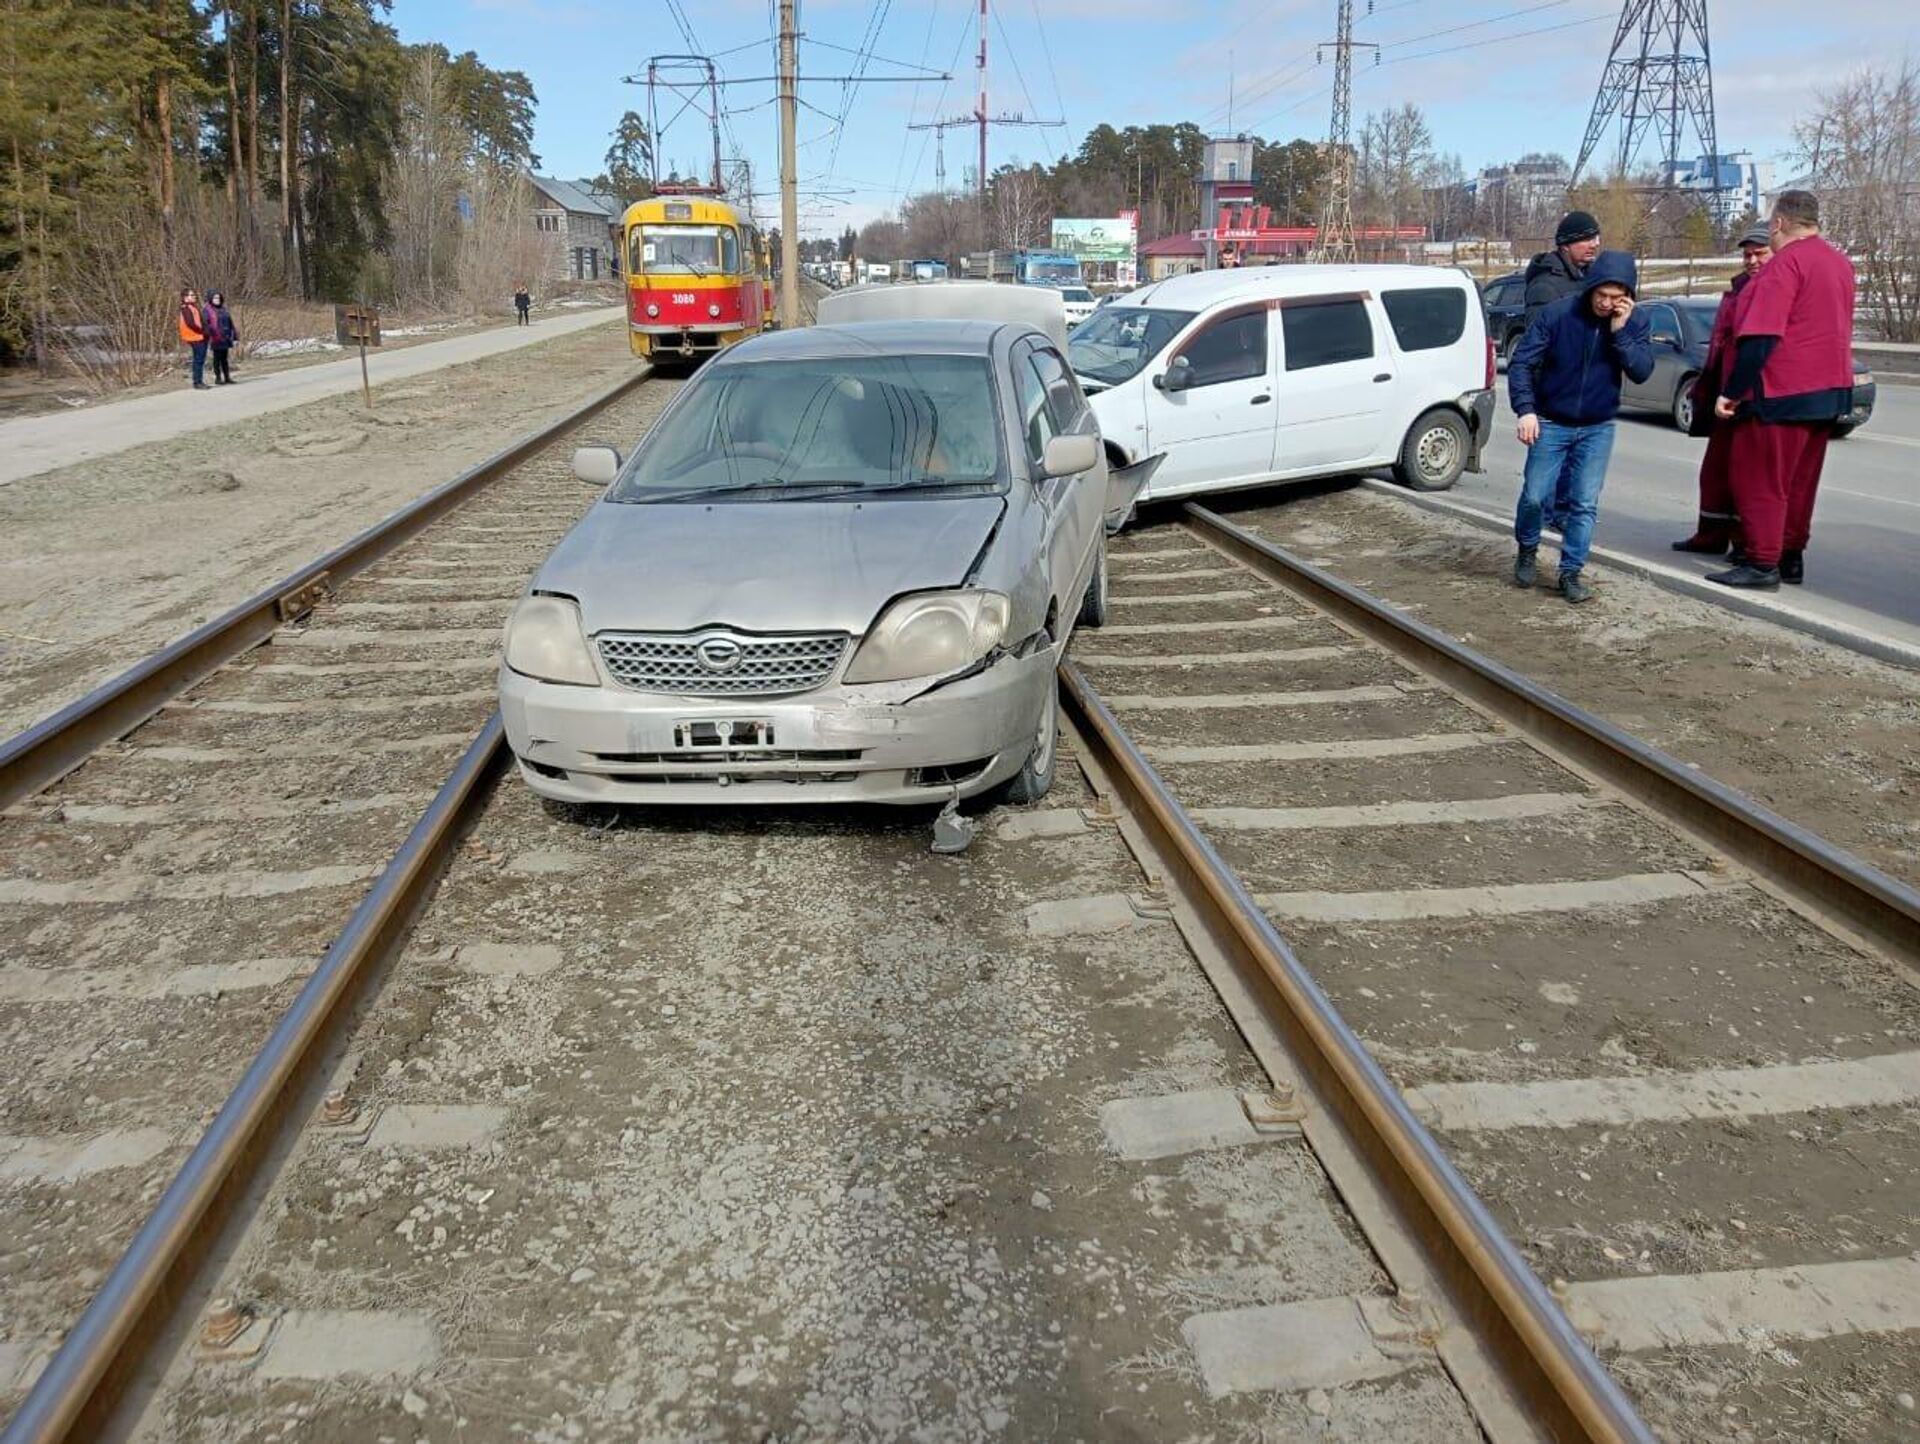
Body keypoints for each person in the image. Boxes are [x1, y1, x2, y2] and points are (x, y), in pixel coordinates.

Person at [1709, 190, 1857, 589]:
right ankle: (1791, 557)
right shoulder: (1840, 264)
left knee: (1761, 480)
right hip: (1831, 390)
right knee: (1800, 483)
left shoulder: (1785, 265)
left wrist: (1732, 392)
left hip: (1781, 390)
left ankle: (1761, 562)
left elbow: (1761, 336)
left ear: (1778, 224)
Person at [1507, 250, 1654, 604]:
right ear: (1590, 288)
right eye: (1600, 295)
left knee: (1584, 504)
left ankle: (1570, 572)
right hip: (1551, 422)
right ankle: (1527, 549)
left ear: (1628, 296)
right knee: (1534, 497)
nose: (1606, 304)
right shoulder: (1558, 315)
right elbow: (1522, 363)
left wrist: (1620, 334)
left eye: (1615, 298)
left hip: (1597, 426)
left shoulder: (1635, 322)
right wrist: (1526, 410)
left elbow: (1642, 370)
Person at [1671, 224, 1773, 556]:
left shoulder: (1773, 289)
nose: (1752, 260)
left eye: (1760, 253)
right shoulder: (1740, 289)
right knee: (1715, 471)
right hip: (1725, 390)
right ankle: (1711, 534)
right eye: (1747, 254)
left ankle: (1745, 543)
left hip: (1751, 395)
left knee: (1747, 477)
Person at [1524, 210, 1603, 324]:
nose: (1595, 244)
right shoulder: (1544, 287)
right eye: (1587, 239)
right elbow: (1539, 337)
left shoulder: (1593, 278)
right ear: (1566, 245)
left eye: (1595, 238)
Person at [178, 287, 211, 390]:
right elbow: (190, 324)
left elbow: (200, 321)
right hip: (195, 337)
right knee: (199, 360)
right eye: (191, 295)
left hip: (199, 336)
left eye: (194, 295)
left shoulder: (193, 307)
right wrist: (202, 332)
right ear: (185, 297)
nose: (194, 297)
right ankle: (197, 382)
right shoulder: (186, 308)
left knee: (199, 359)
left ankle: (198, 381)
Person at [207, 290, 239, 385]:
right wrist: (210, 333)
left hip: (225, 336)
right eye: (215, 298)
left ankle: (227, 377)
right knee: (217, 358)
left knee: (224, 359)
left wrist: (235, 337)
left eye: (218, 297)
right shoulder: (208, 310)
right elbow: (206, 324)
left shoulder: (224, 309)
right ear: (211, 299)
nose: (217, 299)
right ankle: (218, 378)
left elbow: (230, 323)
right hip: (215, 337)